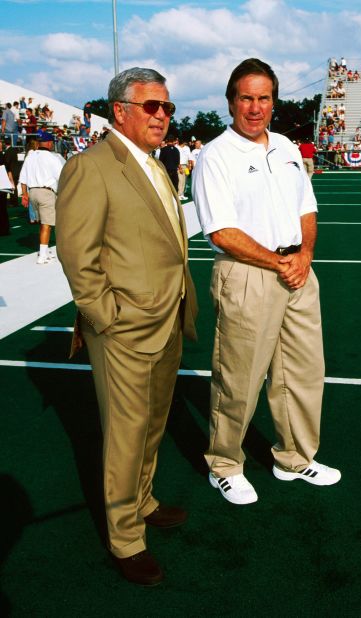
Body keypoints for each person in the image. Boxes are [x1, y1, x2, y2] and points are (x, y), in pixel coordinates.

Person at [55, 67, 198, 586]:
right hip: (123, 329)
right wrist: (106, 319)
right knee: (124, 433)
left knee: (154, 422)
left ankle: (143, 499)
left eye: (168, 107)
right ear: (120, 110)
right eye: (152, 107)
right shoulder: (89, 167)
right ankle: (125, 537)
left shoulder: (157, 163)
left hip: (167, 317)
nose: (163, 116)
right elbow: (78, 254)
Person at [192, 58, 341, 507]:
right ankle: (224, 465)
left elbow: (306, 208)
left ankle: (293, 457)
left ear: (274, 101)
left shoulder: (286, 147)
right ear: (230, 101)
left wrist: (304, 255)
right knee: (239, 377)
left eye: (264, 98)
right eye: (246, 97)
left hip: (297, 269)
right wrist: (278, 263)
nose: (255, 107)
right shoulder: (216, 155)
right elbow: (221, 231)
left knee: (302, 372)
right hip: (247, 274)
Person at [19, 132, 65, 263]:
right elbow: (62, 176)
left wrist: (24, 195)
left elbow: (23, 178)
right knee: (47, 225)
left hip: (32, 192)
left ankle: (45, 250)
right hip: (46, 193)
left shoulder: (30, 157)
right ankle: (43, 255)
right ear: (50, 143)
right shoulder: (52, 158)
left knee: (44, 224)